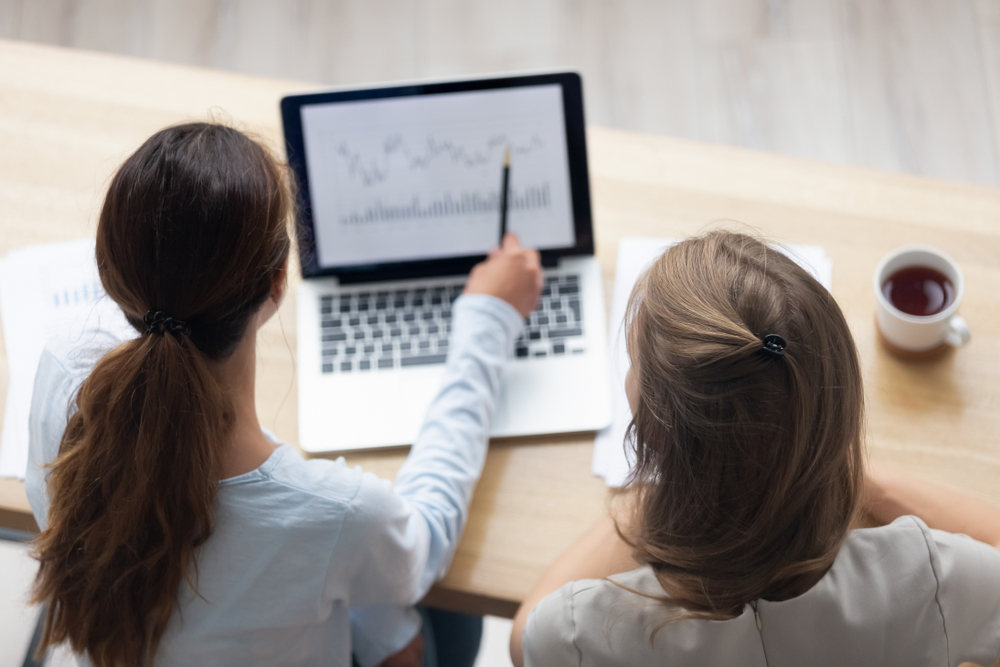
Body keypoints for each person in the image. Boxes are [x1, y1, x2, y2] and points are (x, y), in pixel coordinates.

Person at [24, 122, 543, 667]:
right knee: (446, 624)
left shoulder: (63, 372)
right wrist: (487, 320)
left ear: (113, 273)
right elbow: (426, 539)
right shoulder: (333, 512)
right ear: (277, 283)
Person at [509, 230, 1000, 667]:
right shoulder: (928, 581)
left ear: (650, 430)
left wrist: (666, 485)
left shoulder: (583, 631)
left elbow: (525, 639)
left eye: (634, 362)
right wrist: (832, 462)